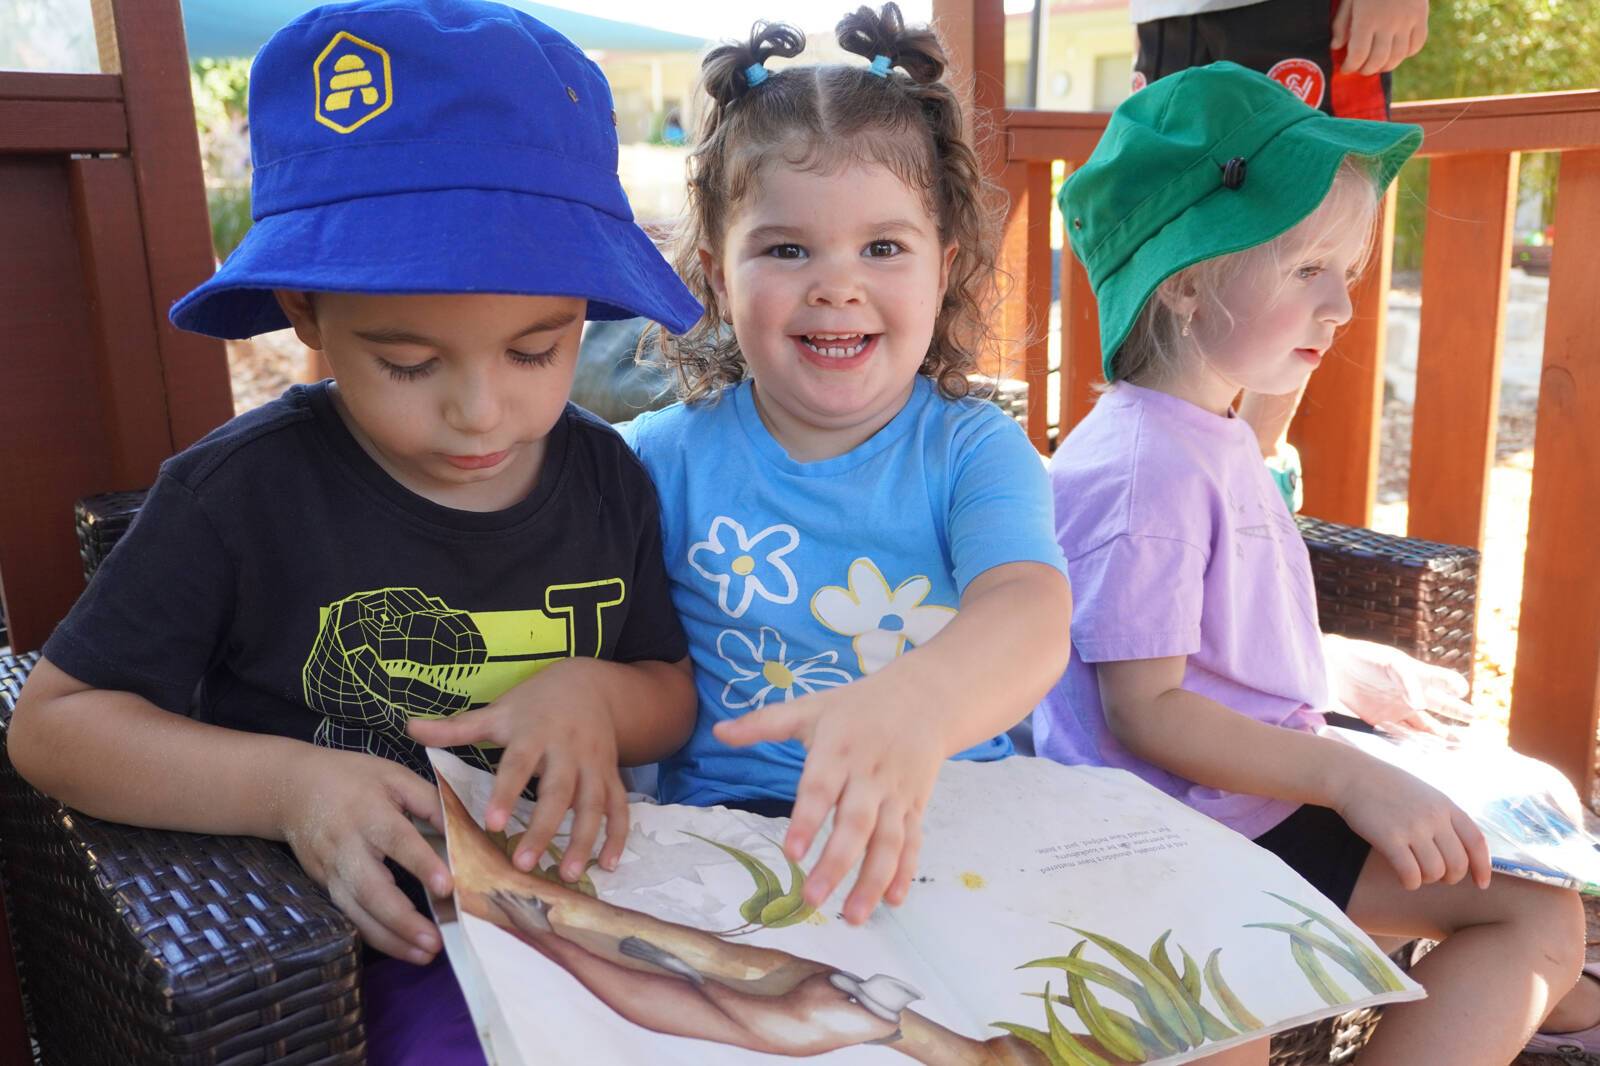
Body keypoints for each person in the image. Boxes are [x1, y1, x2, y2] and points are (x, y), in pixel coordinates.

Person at [8, 2, 703, 1063]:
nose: (481, 412)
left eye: (536, 349)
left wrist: (598, 697)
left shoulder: (605, 476)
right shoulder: (239, 497)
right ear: (305, 309)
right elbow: (54, 727)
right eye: (409, 363)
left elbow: (669, 691)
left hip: (587, 909)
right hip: (344, 944)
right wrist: (287, 789)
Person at [1039, 61, 1599, 1065]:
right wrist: (1351, 776)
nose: (1342, 307)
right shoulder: (1145, 470)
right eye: (1308, 271)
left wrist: (1331, 669)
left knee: (1536, 912)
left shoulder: (1202, 429)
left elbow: (1205, 629)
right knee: (1518, 925)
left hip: (1243, 801)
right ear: (1187, 284)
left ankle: (1554, 1003)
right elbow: (1144, 709)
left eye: (1346, 272)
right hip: (1177, 835)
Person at [624, 4, 1073, 930]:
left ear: (943, 268)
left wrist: (920, 706)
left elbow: (1030, 612)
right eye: (787, 249)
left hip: (954, 823)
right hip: (735, 838)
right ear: (718, 276)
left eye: (883, 247)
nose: (837, 284)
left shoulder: (973, 451)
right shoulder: (657, 459)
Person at [1124, 0, 1430, 513]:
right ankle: (1168, 457)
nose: (1342, 310)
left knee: (1311, 222)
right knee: (1163, 222)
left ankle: (1257, 467)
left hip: (1297, 15)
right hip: (1165, 16)